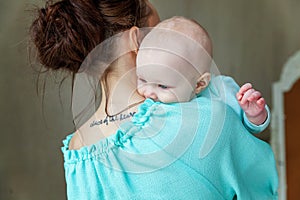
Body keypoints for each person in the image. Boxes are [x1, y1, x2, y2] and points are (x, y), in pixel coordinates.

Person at [29, 0, 278, 199]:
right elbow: (268, 186)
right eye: (158, 29)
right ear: (137, 39)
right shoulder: (206, 120)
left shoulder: (77, 157)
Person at [137, 16, 269, 129]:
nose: (148, 93)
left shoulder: (221, 91)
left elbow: (244, 128)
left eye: (163, 86)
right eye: (142, 80)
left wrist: (254, 115)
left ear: (199, 84)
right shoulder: (145, 102)